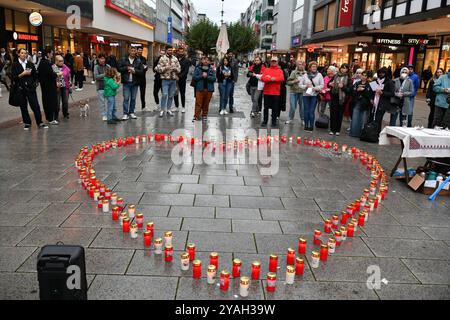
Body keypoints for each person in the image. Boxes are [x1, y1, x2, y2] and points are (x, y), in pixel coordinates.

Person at [11, 48, 48, 130]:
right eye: (22, 53)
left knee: (35, 106)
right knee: (23, 107)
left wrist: (35, 84)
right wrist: (22, 74)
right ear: (18, 54)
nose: (24, 55)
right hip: (20, 89)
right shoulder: (15, 65)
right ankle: (27, 123)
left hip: (30, 88)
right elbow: (13, 78)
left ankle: (40, 122)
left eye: (25, 53)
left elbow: (35, 76)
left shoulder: (30, 64)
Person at [118, 47, 144, 120]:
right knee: (126, 98)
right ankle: (125, 113)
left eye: (134, 51)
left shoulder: (138, 61)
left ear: (136, 52)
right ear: (129, 51)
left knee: (133, 98)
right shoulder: (124, 59)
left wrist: (134, 71)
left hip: (135, 83)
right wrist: (127, 68)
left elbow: (141, 71)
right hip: (126, 82)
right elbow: (119, 68)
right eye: (131, 51)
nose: (133, 52)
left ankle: (131, 112)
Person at [156, 45, 181, 118]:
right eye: (169, 50)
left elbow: (179, 69)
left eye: (171, 50)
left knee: (171, 95)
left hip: (173, 80)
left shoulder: (175, 59)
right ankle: (162, 109)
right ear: (166, 50)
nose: (170, 51)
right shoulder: (162, 58)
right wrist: (165, 68)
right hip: (165, 80)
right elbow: (158, 68)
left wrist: (175, 69)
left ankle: (168, 109)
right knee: (164, 94)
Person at [260, 56, 284, 128]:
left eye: (275, 61)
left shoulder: (280, 71)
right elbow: (262, 78)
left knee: (275, 108)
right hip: (267, 92)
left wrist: (273, 79)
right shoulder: (266, 69)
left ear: (277, 62)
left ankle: (273, 122)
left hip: (276, 92)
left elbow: (281, 78)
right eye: (272, 61)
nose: (273, 62)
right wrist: (270, 79)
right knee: (265, 108)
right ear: (270, 62)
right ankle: (265, 121)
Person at [329, 63, 352, 135]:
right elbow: (329, 83)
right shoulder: (336, 75)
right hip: (334, 96)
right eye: (342, 68)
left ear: (347, 70)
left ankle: (338, 130)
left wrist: (343, 87)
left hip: (342, 99)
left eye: (345, 68)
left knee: (339, 114)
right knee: (333, 113)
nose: (343, 69)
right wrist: (330, 84)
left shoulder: (348, 78)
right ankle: (332, 129)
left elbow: (349, 90)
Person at [301, 61, 324, 132]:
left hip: (314, 95)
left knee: (311, 111)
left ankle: (311, 126)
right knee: (306, 111)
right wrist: (306, 86)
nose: (314, 68)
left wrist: (315, 88)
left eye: (315, 67)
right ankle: (306, 125)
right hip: (306, 95)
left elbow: (322, 85)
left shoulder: (319, 75)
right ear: (310, 68)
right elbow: (300, 85)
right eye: (313, 67)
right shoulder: (305, 75)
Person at [350, 71, 374, 138]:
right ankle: (354, 133)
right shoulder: (357, 83)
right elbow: (352, 92)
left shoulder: (370, 84)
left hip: (365, 104)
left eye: (365, 75)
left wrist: (364, 90)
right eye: (363, 75)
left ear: (367, 77)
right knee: (355, 118)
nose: (363, 76)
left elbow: (371, 95)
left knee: (363, 119)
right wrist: (357, 90)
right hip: (357, 102)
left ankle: (362, 133)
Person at [38, 48, 59, 125]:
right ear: (48, 54)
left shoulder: (44, 62)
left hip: (47, 86)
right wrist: (57, 74)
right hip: (48, 86)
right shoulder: (45, 63)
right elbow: (50, 74)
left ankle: (50, 117)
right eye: (51, 53)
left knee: (48, 101)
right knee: (50, 102)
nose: (52, 55)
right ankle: (51, 118)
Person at [192, 56, 216, 122]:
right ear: (201, 61)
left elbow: (214, 79)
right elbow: (195, 77)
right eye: (204, 59)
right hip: (199, 89)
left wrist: (207, 76)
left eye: (207, 60)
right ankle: (196, 116)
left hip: (209, 89)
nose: (205, 61)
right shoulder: (198, 68)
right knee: (198, 103)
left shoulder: (211, 69)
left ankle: (204, 115)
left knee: (206, 103)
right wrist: (201, 76)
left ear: (209, 62)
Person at [374, 67, 395, 133]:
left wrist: (382, 93)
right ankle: (371, 132)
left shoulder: (389, 82)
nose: (381, 74)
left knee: (378, 119)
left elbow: (392, 93)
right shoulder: (375, 81)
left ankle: (376, 134)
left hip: (382, 103)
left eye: (383, 73)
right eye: (380, 73)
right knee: (373, 118)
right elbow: (371, 91)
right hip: (374, 102)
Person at [285, 60, 306, 125]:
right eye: (299, 64)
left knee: (302, 107)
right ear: (297, 65)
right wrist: (294, 81)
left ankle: (303, 119)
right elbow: (288, 82)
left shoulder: (306, 73)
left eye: (302, 64)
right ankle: (290, 119)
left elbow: (309, 83)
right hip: (293, 92)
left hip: (302, 92)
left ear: (304, 65)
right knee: (293, 107)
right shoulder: (293, 72)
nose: (301, 66)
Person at [53, 55, 71, 120]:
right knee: (57, 102)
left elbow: (69, 77)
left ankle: (65, 113)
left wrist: (70, 85)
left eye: (62, 61)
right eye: (60, 61)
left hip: (65, 86)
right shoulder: (53, 67)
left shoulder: (66, 67)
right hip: (57, 87)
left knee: (65, 101)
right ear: (56, 61)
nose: (62, 62)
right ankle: (56, 116)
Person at [174, 48, 190, 113]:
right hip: (175, 78)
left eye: (182, 51)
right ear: (178, 52)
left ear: (183, 52)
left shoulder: (186, 60)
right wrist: (175, 76)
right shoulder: (175, 59)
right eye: (179, 51)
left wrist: (179, 76)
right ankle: (176, 106)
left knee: (182, 93)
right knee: (175, 93)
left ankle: (183, 107)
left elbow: (186, 71)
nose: (180, 53)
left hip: (182, 79)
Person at [94, 54, 110, 121]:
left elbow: (111, 75)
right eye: (101, 58)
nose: (102, 60)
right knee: (102, 102)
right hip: (100, 87)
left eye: (103, 58)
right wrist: (105, 75)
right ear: (98, 59)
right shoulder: (96, 67)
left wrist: (103, 76)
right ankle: (104, 115)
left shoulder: (108, 66)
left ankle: (109, 114)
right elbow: (96, 76)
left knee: (109, 101)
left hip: (108, 87)